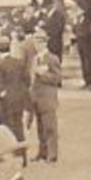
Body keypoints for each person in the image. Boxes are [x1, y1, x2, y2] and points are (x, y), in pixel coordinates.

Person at [29, 32, 63, 163]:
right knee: (40, 128)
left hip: (48, 98)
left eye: (39, 42)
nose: (37, 46)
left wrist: (43, 75)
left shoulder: (52, 59)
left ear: (45, 43)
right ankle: (42, 152)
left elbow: (57, 78)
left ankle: (52, 154)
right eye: (35, 43)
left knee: (50, 127)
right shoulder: (34, 59)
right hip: (37, 97)